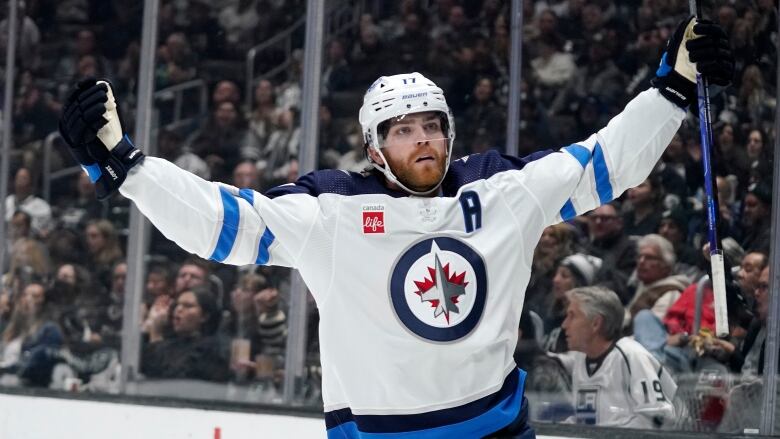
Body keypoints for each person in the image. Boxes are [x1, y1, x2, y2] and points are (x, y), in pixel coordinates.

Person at [58, 16, 733, 438]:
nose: (422, 141)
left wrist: (671, 87)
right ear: (375, 148)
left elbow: (606, 164)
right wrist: (128, 167)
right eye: (403, 130)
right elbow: (224, 225)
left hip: (498, 431)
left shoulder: (502, 190)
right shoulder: (332, 212)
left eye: (431, 125)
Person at [557, 286, 677, 428]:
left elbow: (658, 418)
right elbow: (587, 422)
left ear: (596, 323)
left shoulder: (632, 355)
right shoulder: (581, 360)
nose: (564, 325)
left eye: (572, 316)